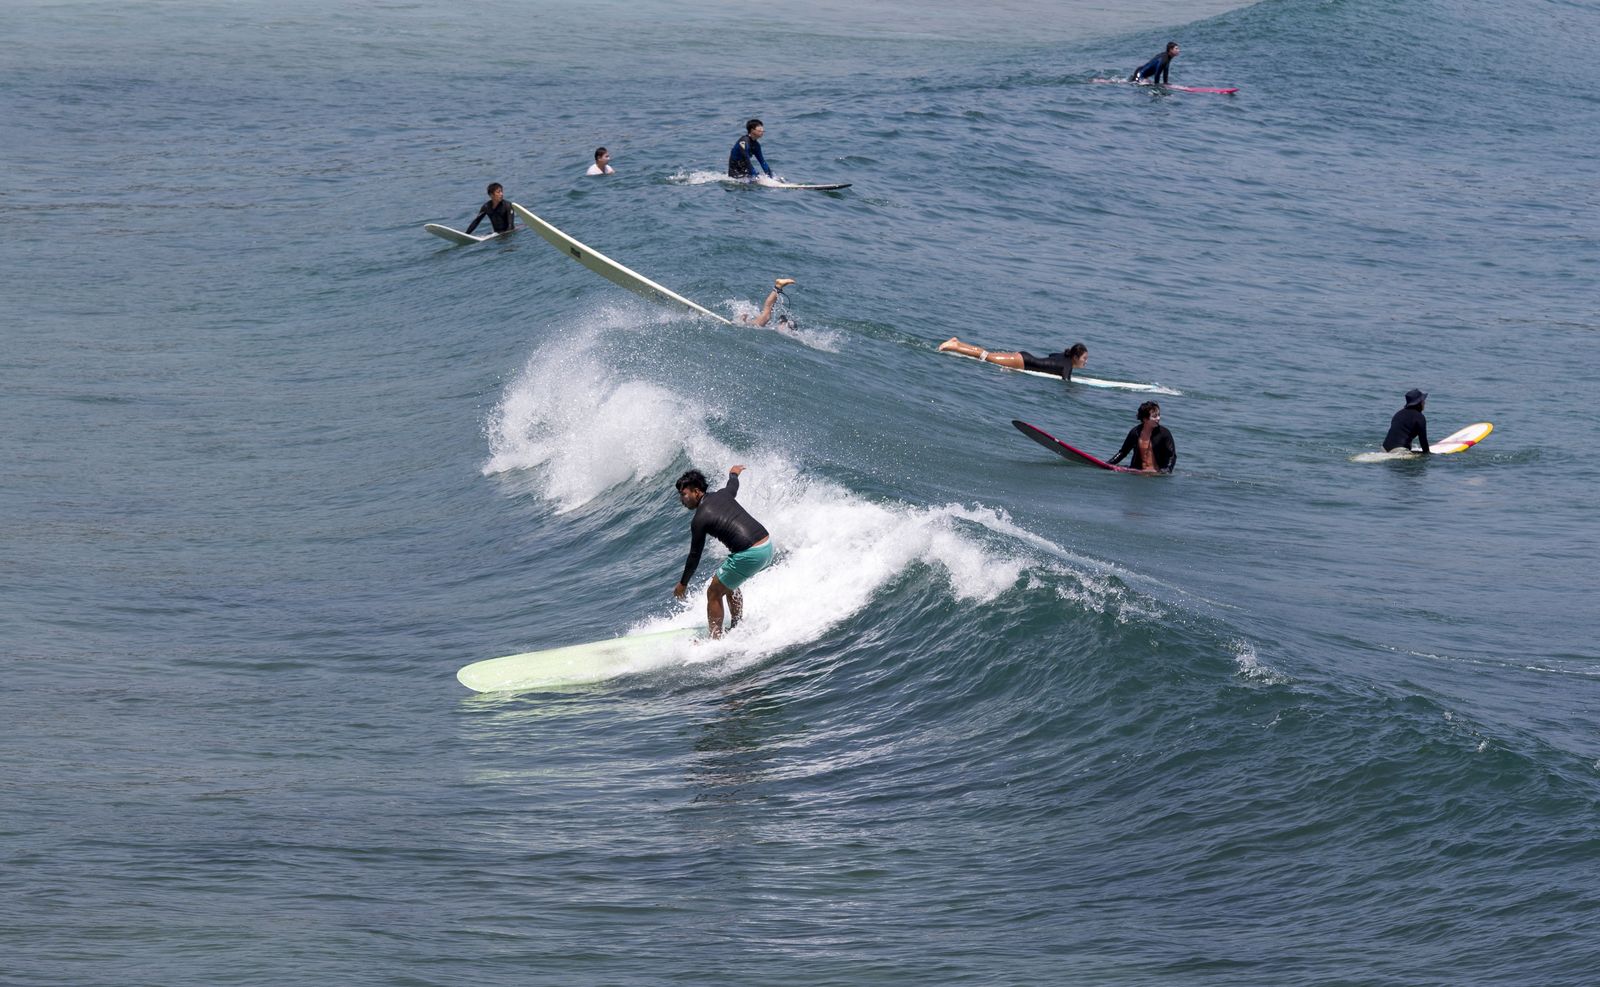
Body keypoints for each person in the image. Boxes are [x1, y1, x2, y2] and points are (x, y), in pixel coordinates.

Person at [673, 466, 774, 639]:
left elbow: (694, 555)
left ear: (697, 492)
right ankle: (737, 626)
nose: (682, 499)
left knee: (713, 592)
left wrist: (683, 583)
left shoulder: (700, 519)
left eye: (684, 494)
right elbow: (732, 485)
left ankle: (715, 640)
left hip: (749, 554)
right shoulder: (723, 494)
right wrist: (734, 473)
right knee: (727, 582)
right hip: (766, 546)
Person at [938, 337, 1089, 381]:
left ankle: (957, 343)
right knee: (985, 356)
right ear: (1075, 357)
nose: (1085, 362)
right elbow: (1066, 381)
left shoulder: (1063, 357)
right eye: (1084, 358)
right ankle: (954, 346)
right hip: (1022, 362)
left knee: (986, 354)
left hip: (1024, 357)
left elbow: (1051, 356)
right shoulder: (1067, 365)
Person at [1108, 401, 1177, 473]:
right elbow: (1123, 452)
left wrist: (1166, 471)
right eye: (1154, 416)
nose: (1158, 418)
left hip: (1156, 475)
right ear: (1145, 419)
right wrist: (1108, 464)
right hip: (1136, 472)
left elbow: (1171, 456)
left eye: (1159, 415)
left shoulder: (1164, 433)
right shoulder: (1135, 432)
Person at [1383, 388, 1430, 453]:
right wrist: (1428, 455)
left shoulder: (1398, 413)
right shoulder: (1419, 417)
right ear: (1419, 403)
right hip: (1399, 451)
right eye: (1423, 401)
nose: (1424, 402)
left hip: (1384, 448)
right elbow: (1423, 440)